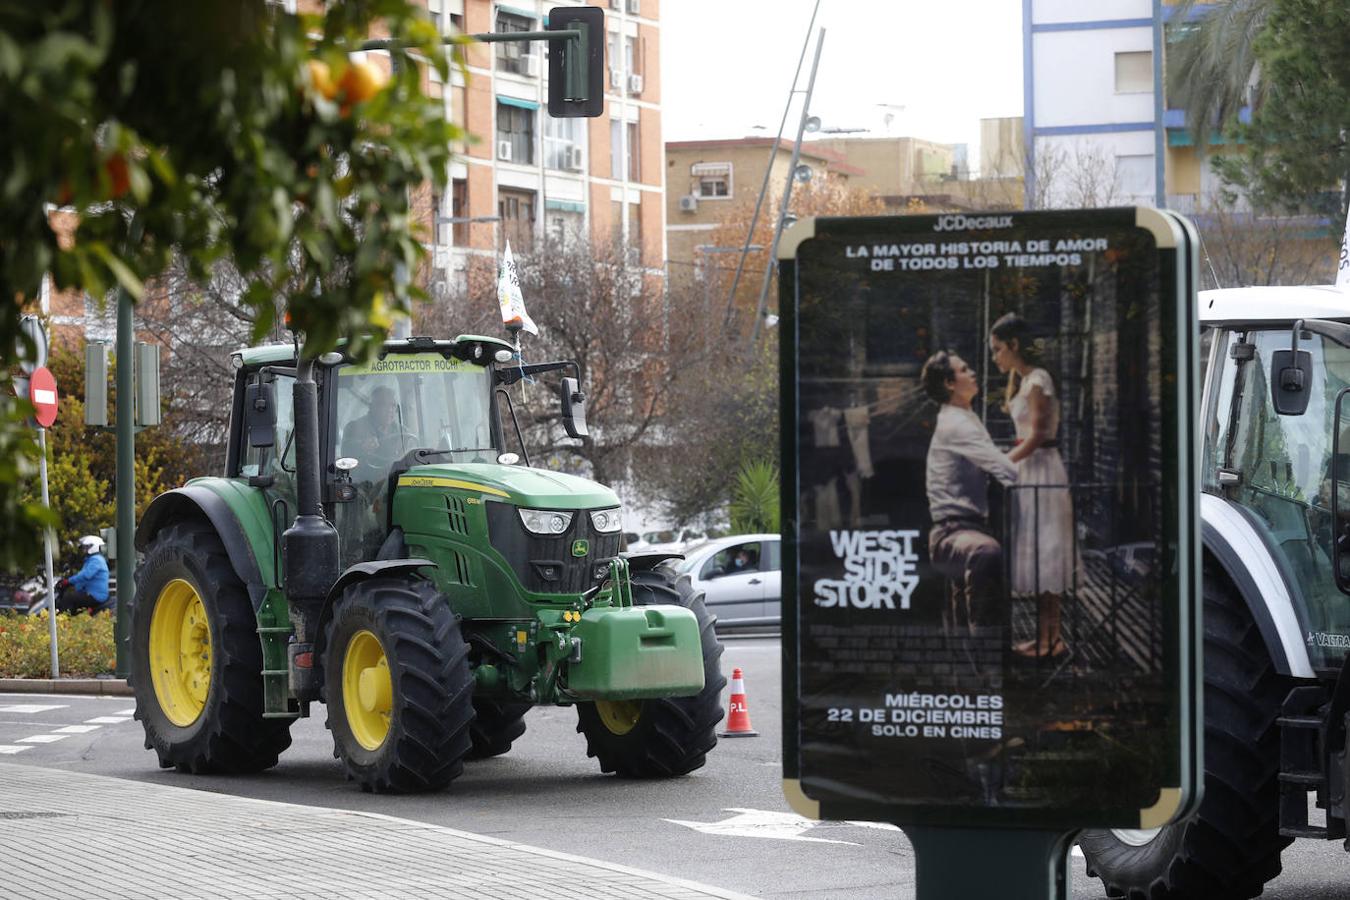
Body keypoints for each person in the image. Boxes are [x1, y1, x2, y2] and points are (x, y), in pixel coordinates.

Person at [989, 312, 1078, 658]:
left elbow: (1039, 434)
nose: (996, 357)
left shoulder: (1038, 379)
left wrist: (1004, 461)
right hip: (1030, 469)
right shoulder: (1024, 381)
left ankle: (1052, 639)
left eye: (998, 349)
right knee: (1038, 552)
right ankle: (1046, 636)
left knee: (1048, 550)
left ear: (1013, 345)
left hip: (1042, 469)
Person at [921, 350, 1017, 634]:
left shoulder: (964, 417)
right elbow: (1008, 472)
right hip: (952, 532)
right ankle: (986, 660)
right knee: (987, 553)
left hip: (963, 528)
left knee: (961, 612)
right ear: (950, 384)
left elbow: (993, 460)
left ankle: (972, 663)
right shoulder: (958, 424)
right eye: (964, 370)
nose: (973, 373)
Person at [341, 385, 406, 468]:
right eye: (383, 405)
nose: (390, 410)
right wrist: (362, 447)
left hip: (396, 476)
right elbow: (345, 455)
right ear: (372, 407)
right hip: (364, 478)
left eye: (393, 405)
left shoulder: (403, 432)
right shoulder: (354, 427)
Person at [56, 535, 111, 615]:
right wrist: (73, 585)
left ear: (94, 547)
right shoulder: (91, 560)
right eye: (84, 547)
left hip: (96, 595)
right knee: (73, 600)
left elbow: (85, 575)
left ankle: (63, 621)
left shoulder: (96, 560)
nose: (84, 550)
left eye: (87, 547)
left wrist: (68, 581)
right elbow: (83, 580)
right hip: (91, 593)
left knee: (68, 598)